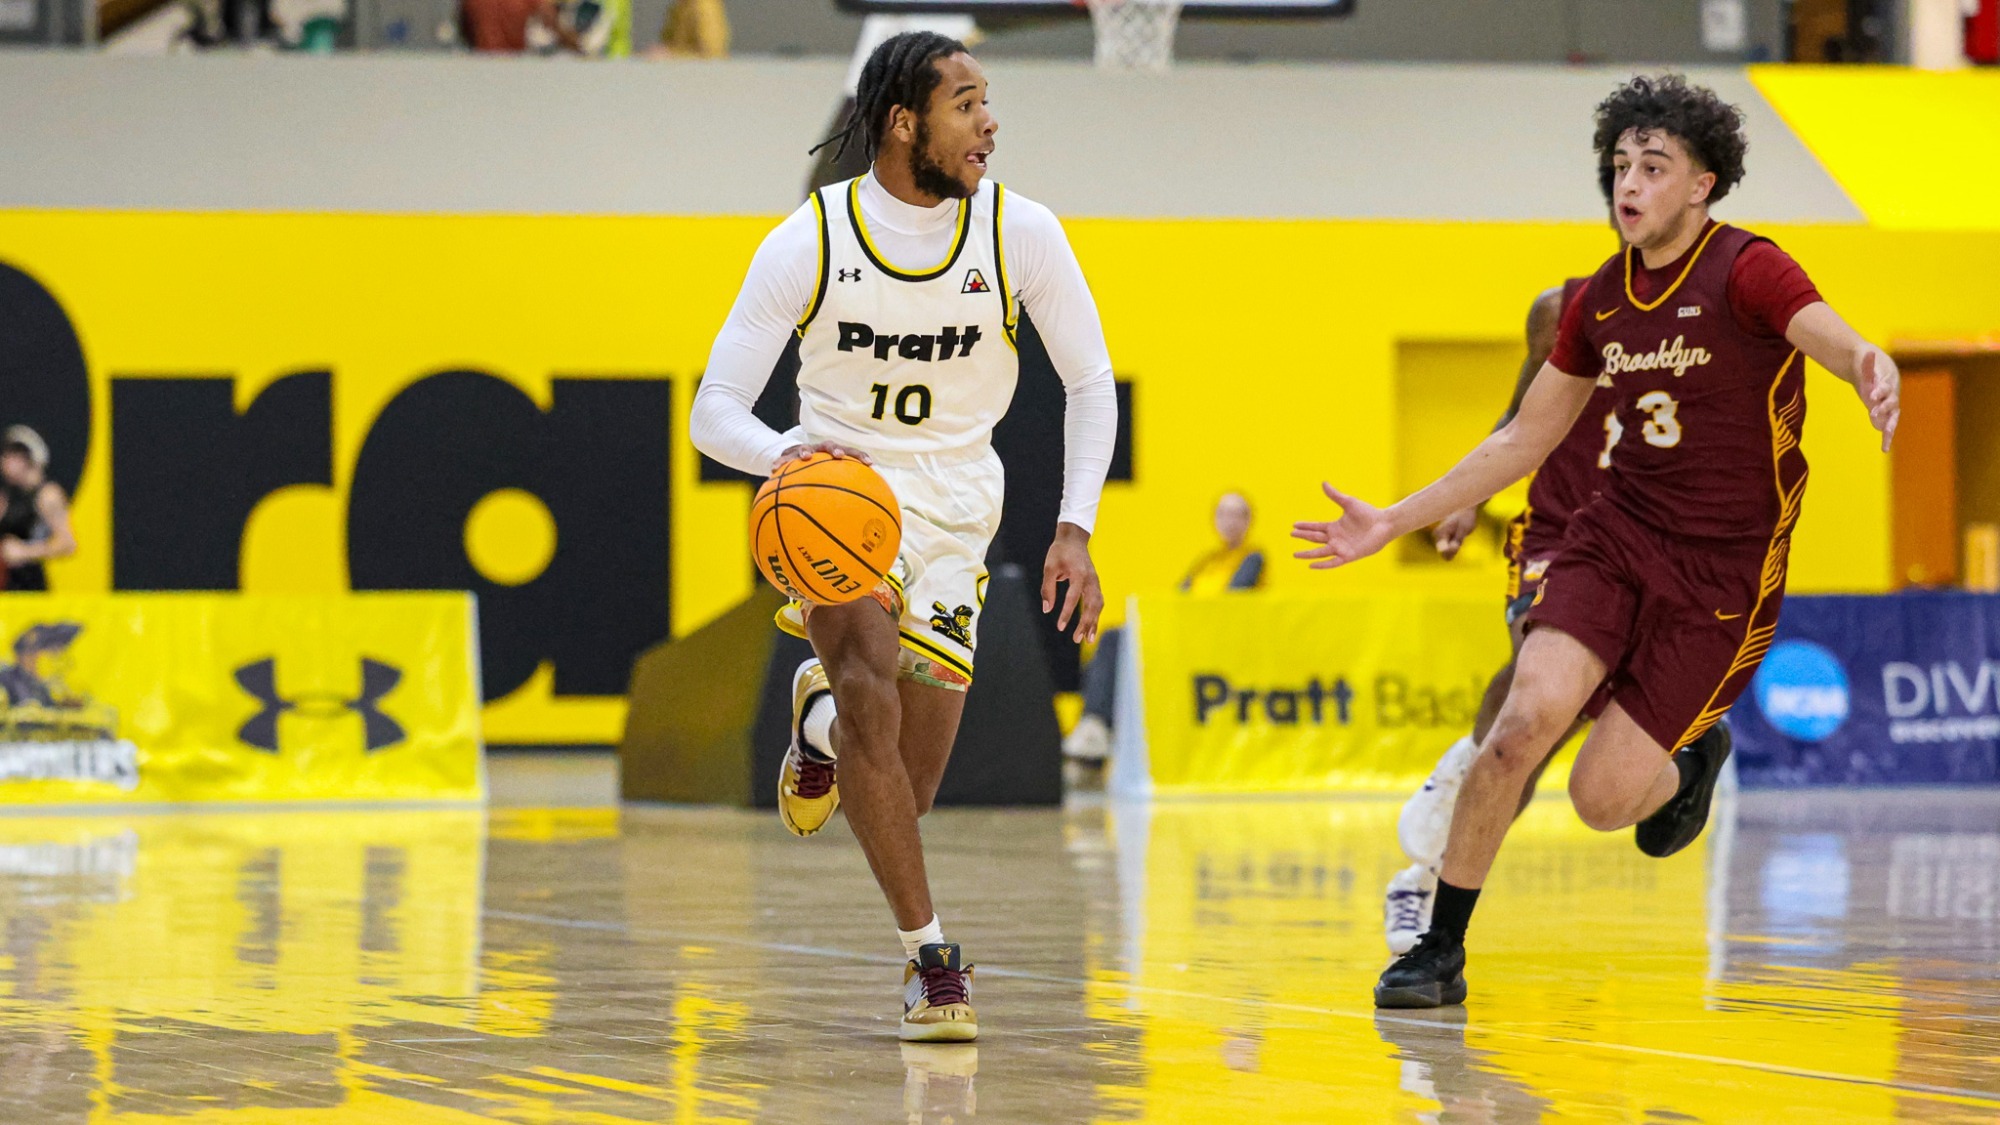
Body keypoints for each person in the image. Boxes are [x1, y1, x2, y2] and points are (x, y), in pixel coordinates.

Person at [1294, 74, 1900, 1008]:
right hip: (1614, 533)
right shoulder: (1598, 301)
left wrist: (1866, 362)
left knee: (1601, 799)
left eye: (1654, 166)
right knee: (1519, 726)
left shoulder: (1747, 267)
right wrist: (1391, 519)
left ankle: (1688, 763)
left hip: (1723, 568)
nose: (1630, 183)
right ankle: (1440, 951)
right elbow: (1523, 439)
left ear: (1701, 184)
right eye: (1621, 164)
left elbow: (1819, 330)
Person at [688, 31, 1117, 1041]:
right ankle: (930, 962)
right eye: (965, 102)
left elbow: (1088, 383)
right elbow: (715, 412)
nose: (988, 122)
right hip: (843, 500)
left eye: (986, 100)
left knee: (906, 787)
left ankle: (820, 725)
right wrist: (790, 456)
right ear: (902, 123)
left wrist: (1075, 527)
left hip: (961, 505)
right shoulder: (811, 239)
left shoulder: (1023, 232)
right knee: (874, 698)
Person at [1383, 172, 1625, 954]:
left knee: (1545, 733)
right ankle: (1422, 885)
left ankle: (1449, 813)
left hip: (1640, 536)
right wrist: (1465, 500)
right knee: (1535, 677)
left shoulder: (1712, 323)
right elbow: (1522, 413)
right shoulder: (1563, 310)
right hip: (1559, 526)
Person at [1063, 491, 1263, 766]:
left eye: (1237, 514)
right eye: (1223, 514)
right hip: (1182, 636)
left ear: (1248, 520)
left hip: (1209, 644)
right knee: (1112, 640)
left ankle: (1096, 729)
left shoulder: (1252, 559)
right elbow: (1176, 600)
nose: (1229, 521)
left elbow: (1227, 605)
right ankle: (1094, 726)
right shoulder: (1206, 562)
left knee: (1118, 644)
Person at [0, 427, 76, 592]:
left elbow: (68, 544)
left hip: (30, 588)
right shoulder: (9, 496)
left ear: (26, 459)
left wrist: (25, 552)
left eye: (9, 456)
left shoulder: (47, 495)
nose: (3, 462)